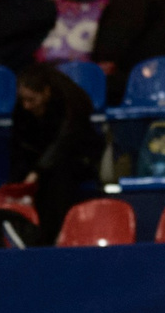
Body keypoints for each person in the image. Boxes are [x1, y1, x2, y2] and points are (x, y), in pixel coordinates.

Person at [6, 63, 101, 239]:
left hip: (76, 159)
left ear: (46, 92)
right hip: (40, 162)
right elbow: (19, 145)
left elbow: (64, 143)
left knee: (58, 177)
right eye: (23, 100)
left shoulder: (72, 105)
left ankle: (58, 235)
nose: (26, 105)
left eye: (32, 100)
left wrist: (37, 171)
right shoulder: (23, 110)